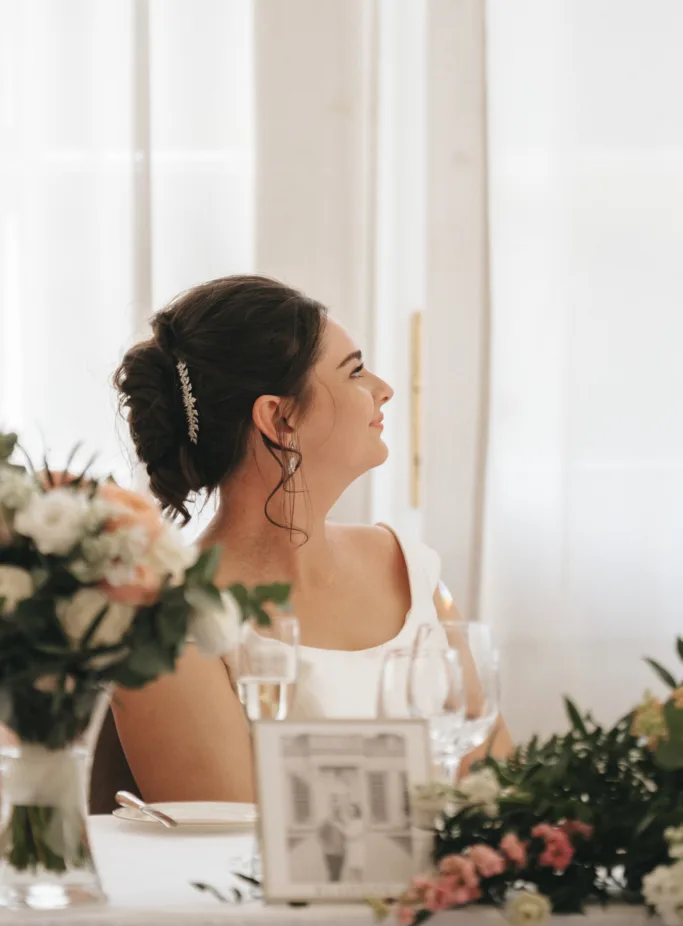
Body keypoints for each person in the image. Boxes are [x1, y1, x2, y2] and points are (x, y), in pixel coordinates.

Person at [112, 275, 513, 803]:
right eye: (355, 372)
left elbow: (505, 788)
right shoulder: (168, 623)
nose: (385, 387)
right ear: (279, 417)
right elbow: (225, 855)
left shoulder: (412, 569)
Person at [317, 797, 347, 883]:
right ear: (331, 808)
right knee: (332, 874)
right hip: (329, 852)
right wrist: (326, 845)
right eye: (334, 807)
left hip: (341, 851)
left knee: (338, 874)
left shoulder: (342, 821)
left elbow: (346, 835)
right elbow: (320, 835)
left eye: (337, 808)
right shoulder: (326, 821)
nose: (336, 810)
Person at [341, 803, 366, 883]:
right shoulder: (350, 822)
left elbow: (351, 835)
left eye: (353, 811)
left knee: (358, 866)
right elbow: (347, 834)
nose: (351, 812)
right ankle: (352, 885)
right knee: (351, 866)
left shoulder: (359, 822)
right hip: (350, 846)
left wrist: (343, 830)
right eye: (350, 811)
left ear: (356, 812)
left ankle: (360, 884)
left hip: (357, 846)